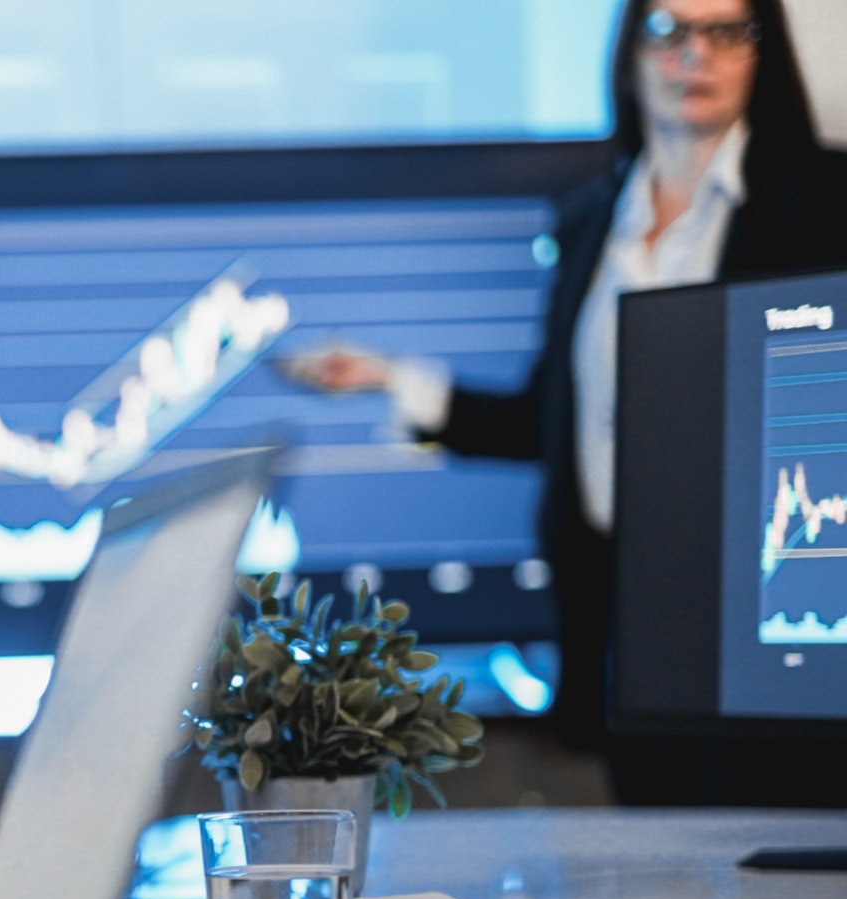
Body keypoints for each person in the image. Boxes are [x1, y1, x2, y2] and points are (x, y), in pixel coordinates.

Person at [285, 0, 847, 805]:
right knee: (657, 867)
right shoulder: (591, 224)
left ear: (763, 52)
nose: (699, 56)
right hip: (618, 618)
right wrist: (392, 380)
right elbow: (554, 422)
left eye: (727, 32)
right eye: (672, 31)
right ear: (630, 53)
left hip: (763, 620)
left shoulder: (824, 204)